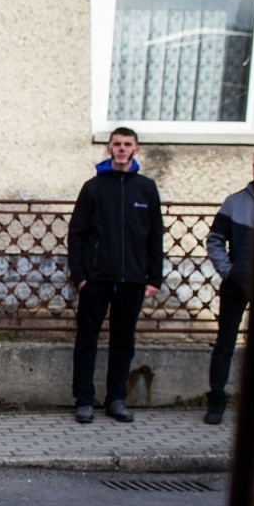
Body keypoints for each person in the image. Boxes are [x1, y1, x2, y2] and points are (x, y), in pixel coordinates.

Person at [67, 127, 163, 424]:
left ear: (136, 149)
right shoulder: (93, 188)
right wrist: (80, 276)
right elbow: (77, 234)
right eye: (117, 144)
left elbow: (155, 236)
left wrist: (153, 278)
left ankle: (116, 399)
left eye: (127, 144)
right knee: (87, 340)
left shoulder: (146, 188)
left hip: (133, 279)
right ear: (109, 148)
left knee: (123, 342)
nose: (122, 149)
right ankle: (84, 400)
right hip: (96, 279)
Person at [204, 147, 254, 425]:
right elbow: (215, 240)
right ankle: (216, 400)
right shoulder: (235, 202)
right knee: (224, 345)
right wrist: (228, 271)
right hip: (236, 285)